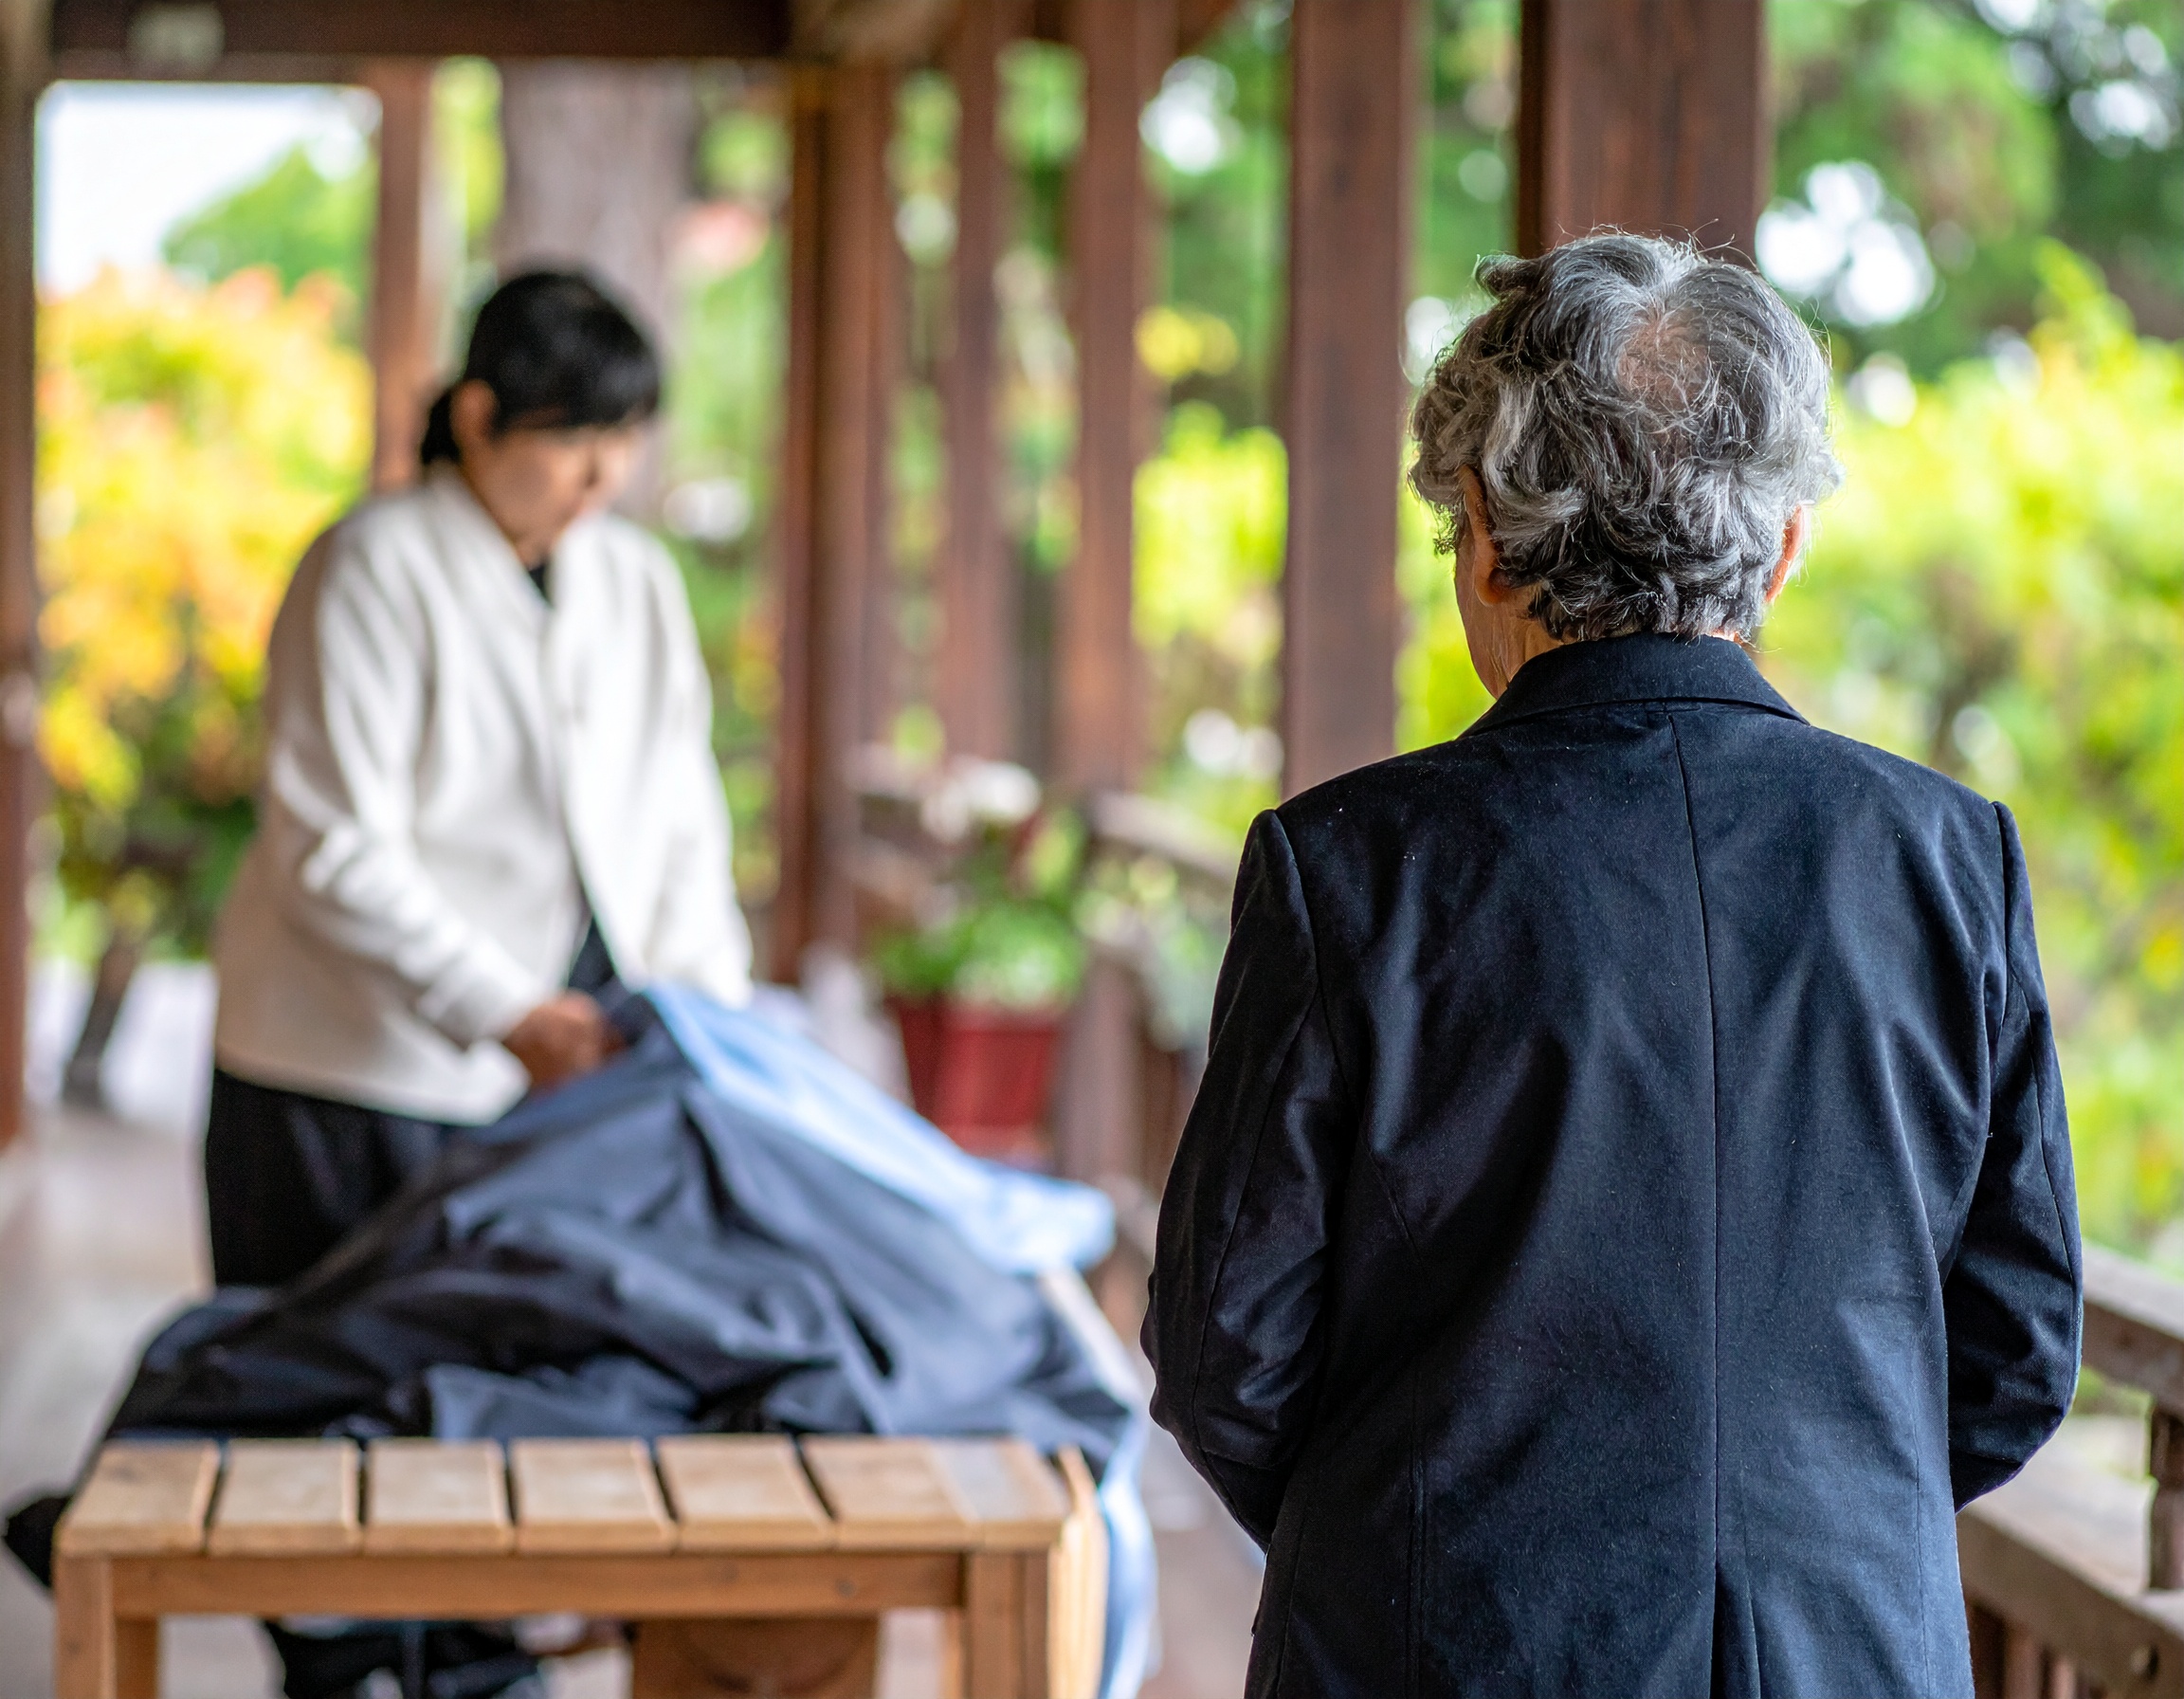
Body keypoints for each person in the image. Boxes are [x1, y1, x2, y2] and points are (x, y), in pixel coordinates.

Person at [1145, 233, 2082, 1698]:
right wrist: (1806, 1525)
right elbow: (2017, 1355)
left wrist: (1416, 1540)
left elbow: (1227, 1352)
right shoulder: (1951, 861)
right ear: (1780, 549)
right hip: (1851, 1651)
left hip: (1438, 1650)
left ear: (1487, 530)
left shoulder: (1351, 869)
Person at [208, 269, 754, 1290]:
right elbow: (329, 847)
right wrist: (506, 1011)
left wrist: (706, 1017)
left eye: (624, 438)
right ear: (476, 415)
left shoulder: (635, 579)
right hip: (345, 1074)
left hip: (571, 1072)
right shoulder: (369, 563)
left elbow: (682, 817)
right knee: (310, 1397)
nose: (603, 475)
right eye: (572, 439)